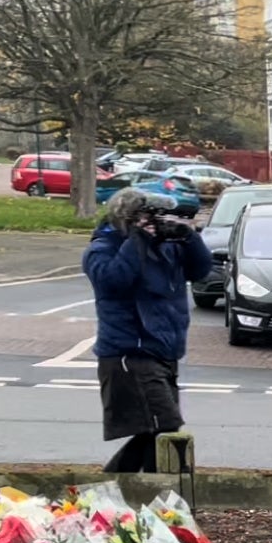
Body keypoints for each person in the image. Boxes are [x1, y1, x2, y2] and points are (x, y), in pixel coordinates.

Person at [83, 188, 211, 473]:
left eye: (156, 217)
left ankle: (122, 496)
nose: (154, 223)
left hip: (164, 351)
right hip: (130, 353)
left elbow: (200, 270)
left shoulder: (165, 245)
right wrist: (137, 239)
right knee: (165, 428)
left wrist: (188, 237)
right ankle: (159, 498)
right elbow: (115, 280)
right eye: (145, 218)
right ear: (126, 219)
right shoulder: (103, 248)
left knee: (155, 431)